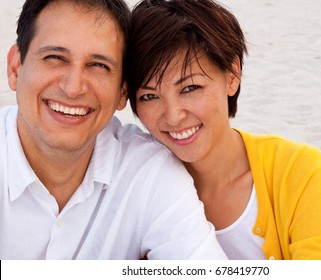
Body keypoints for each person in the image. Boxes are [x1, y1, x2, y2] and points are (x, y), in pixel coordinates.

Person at [0, 0, 227, 260]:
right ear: (15, 67)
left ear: (122, 92)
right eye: (55, 58)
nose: (73, 87)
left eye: (98, 65)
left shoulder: (150, 172)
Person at [127, 0, 321, 260]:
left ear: (232, 75)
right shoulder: (135, 181)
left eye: (190, 88)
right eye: (149, 96)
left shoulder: (296, 169)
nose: (173, 117)